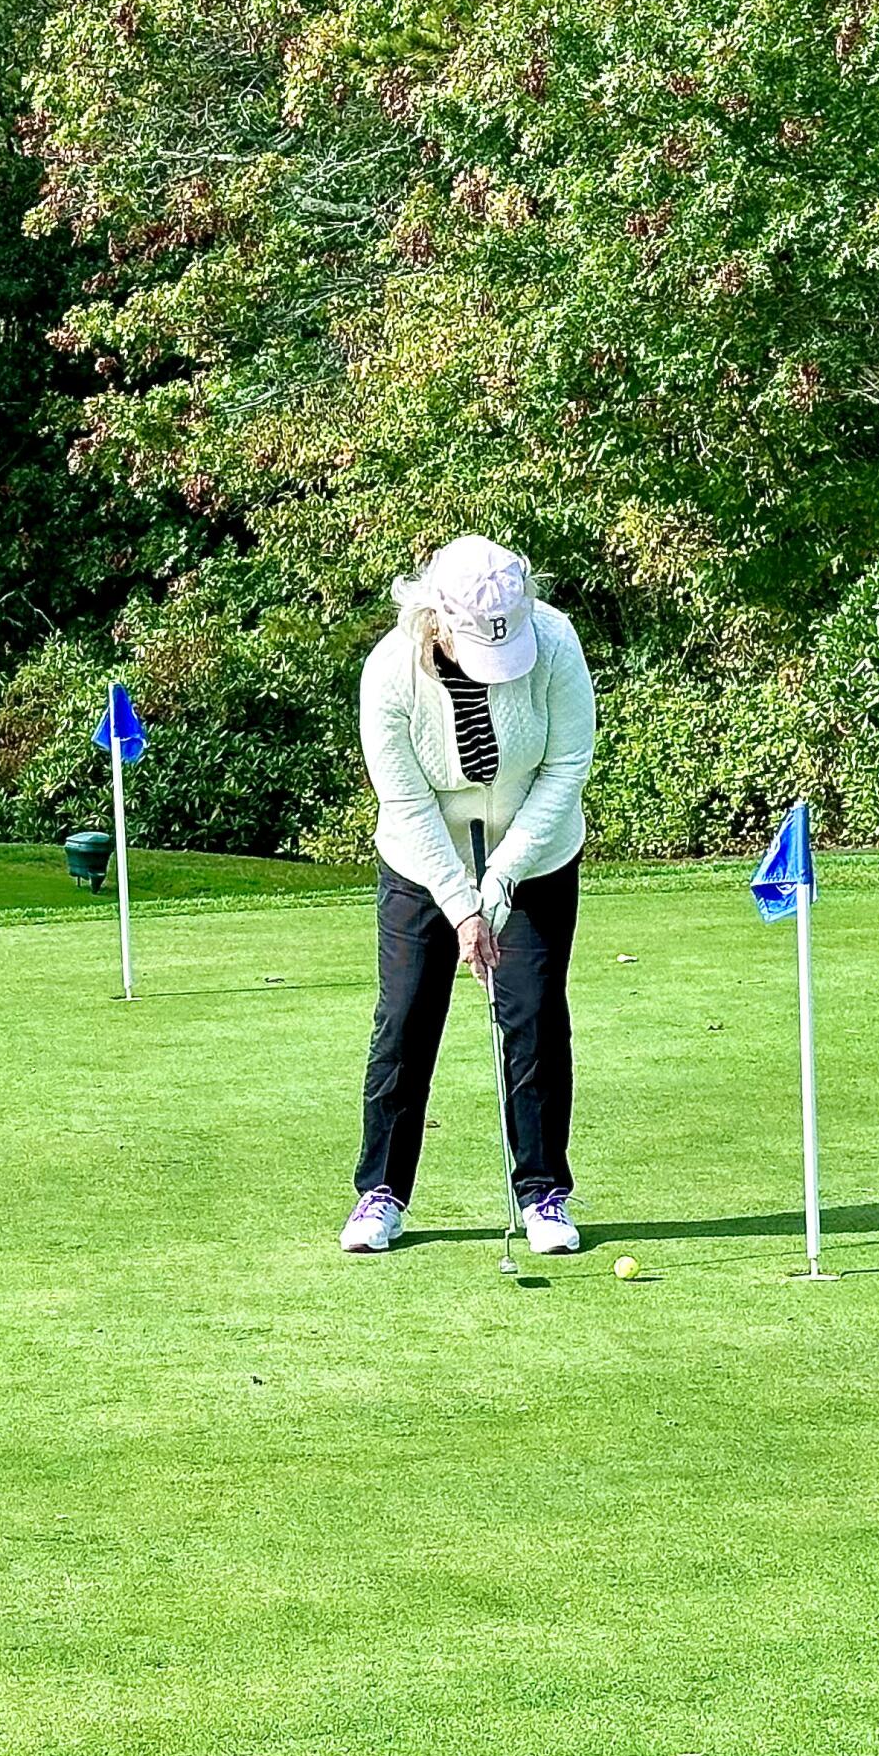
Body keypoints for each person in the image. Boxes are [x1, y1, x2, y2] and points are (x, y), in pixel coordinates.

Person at [342, 535, 597, 1257]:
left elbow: (567, 763)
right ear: (436, 619)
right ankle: (380, 1193)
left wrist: (502, 880)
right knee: (406, 1017)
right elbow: (406, 801)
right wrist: (462, 905)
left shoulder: (553, 640)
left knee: (535, 1014)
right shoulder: (390, 673)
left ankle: (544, 1192)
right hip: (424, 862)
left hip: (537, 853)